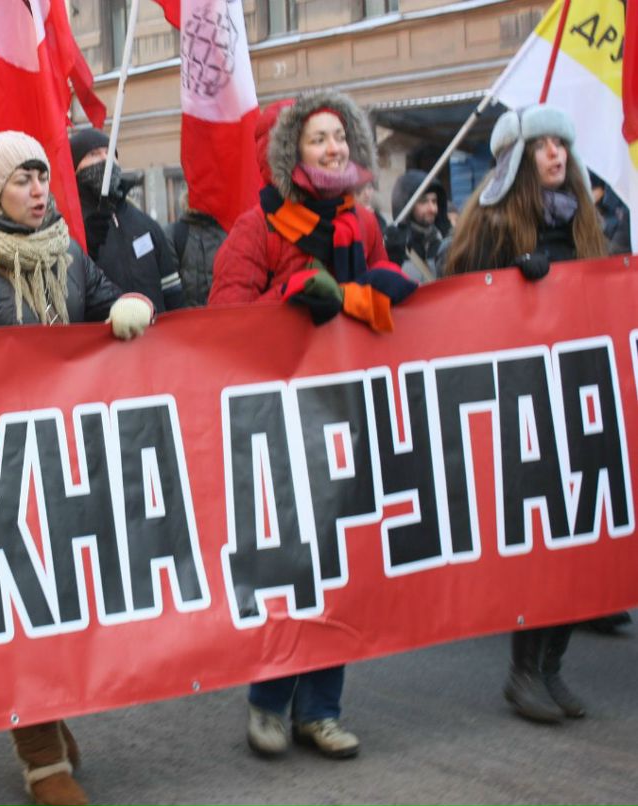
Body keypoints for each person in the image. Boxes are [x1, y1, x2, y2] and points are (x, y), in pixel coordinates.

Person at [0, 130, 155, 806]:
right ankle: (40, 758)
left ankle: (51, 716)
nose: (37, 191)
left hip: (65, 461)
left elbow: (101, 299)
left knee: (62, 604)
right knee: (18, 613)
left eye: (42, 178)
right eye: (23, 181)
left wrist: (125, 306)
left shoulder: (69, 256)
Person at [209, 91, 417, 761]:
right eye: (319, 138)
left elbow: (382, 312)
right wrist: (288, 299)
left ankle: (321, 711)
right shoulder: (258, 228)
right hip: (279, 424)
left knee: (344, 567)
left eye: (341, 138)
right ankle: (270, 702)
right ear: (291, 152)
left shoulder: (365, 223)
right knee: (294, 567)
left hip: (350, 418)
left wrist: (388, 285)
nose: (333, 149)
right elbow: (226, 321)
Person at [443, 104, 607, 723]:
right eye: (541, 146)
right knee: (542, 544)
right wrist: (509, 278)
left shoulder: (585, 225)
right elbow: (457, 294)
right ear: (518, 159)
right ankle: (523, 673)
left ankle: (553, 668)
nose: (555, 154)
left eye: (560, 144)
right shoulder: (491, 223)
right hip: (522, 406)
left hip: (580, 397)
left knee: (581, 540)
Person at [69, 128, 182, 312]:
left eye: (110, 153)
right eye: (93, 154)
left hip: (155, 336)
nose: (106, 159)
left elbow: (171, 291)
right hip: (101, 336)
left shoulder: (145, 224)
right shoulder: (70, 229)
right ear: (74, 167)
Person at [384, 169, 452, 283]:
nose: (432, 209)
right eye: (423, 201)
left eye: (434, 201)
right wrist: (394, 258)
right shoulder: (392, 244)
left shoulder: (445, 242)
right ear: (407, 204)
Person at [165, 191, 226, 307]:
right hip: (187, 321)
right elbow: (170, 291)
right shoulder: (174, 234)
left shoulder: (230, 231)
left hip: (222, 318)